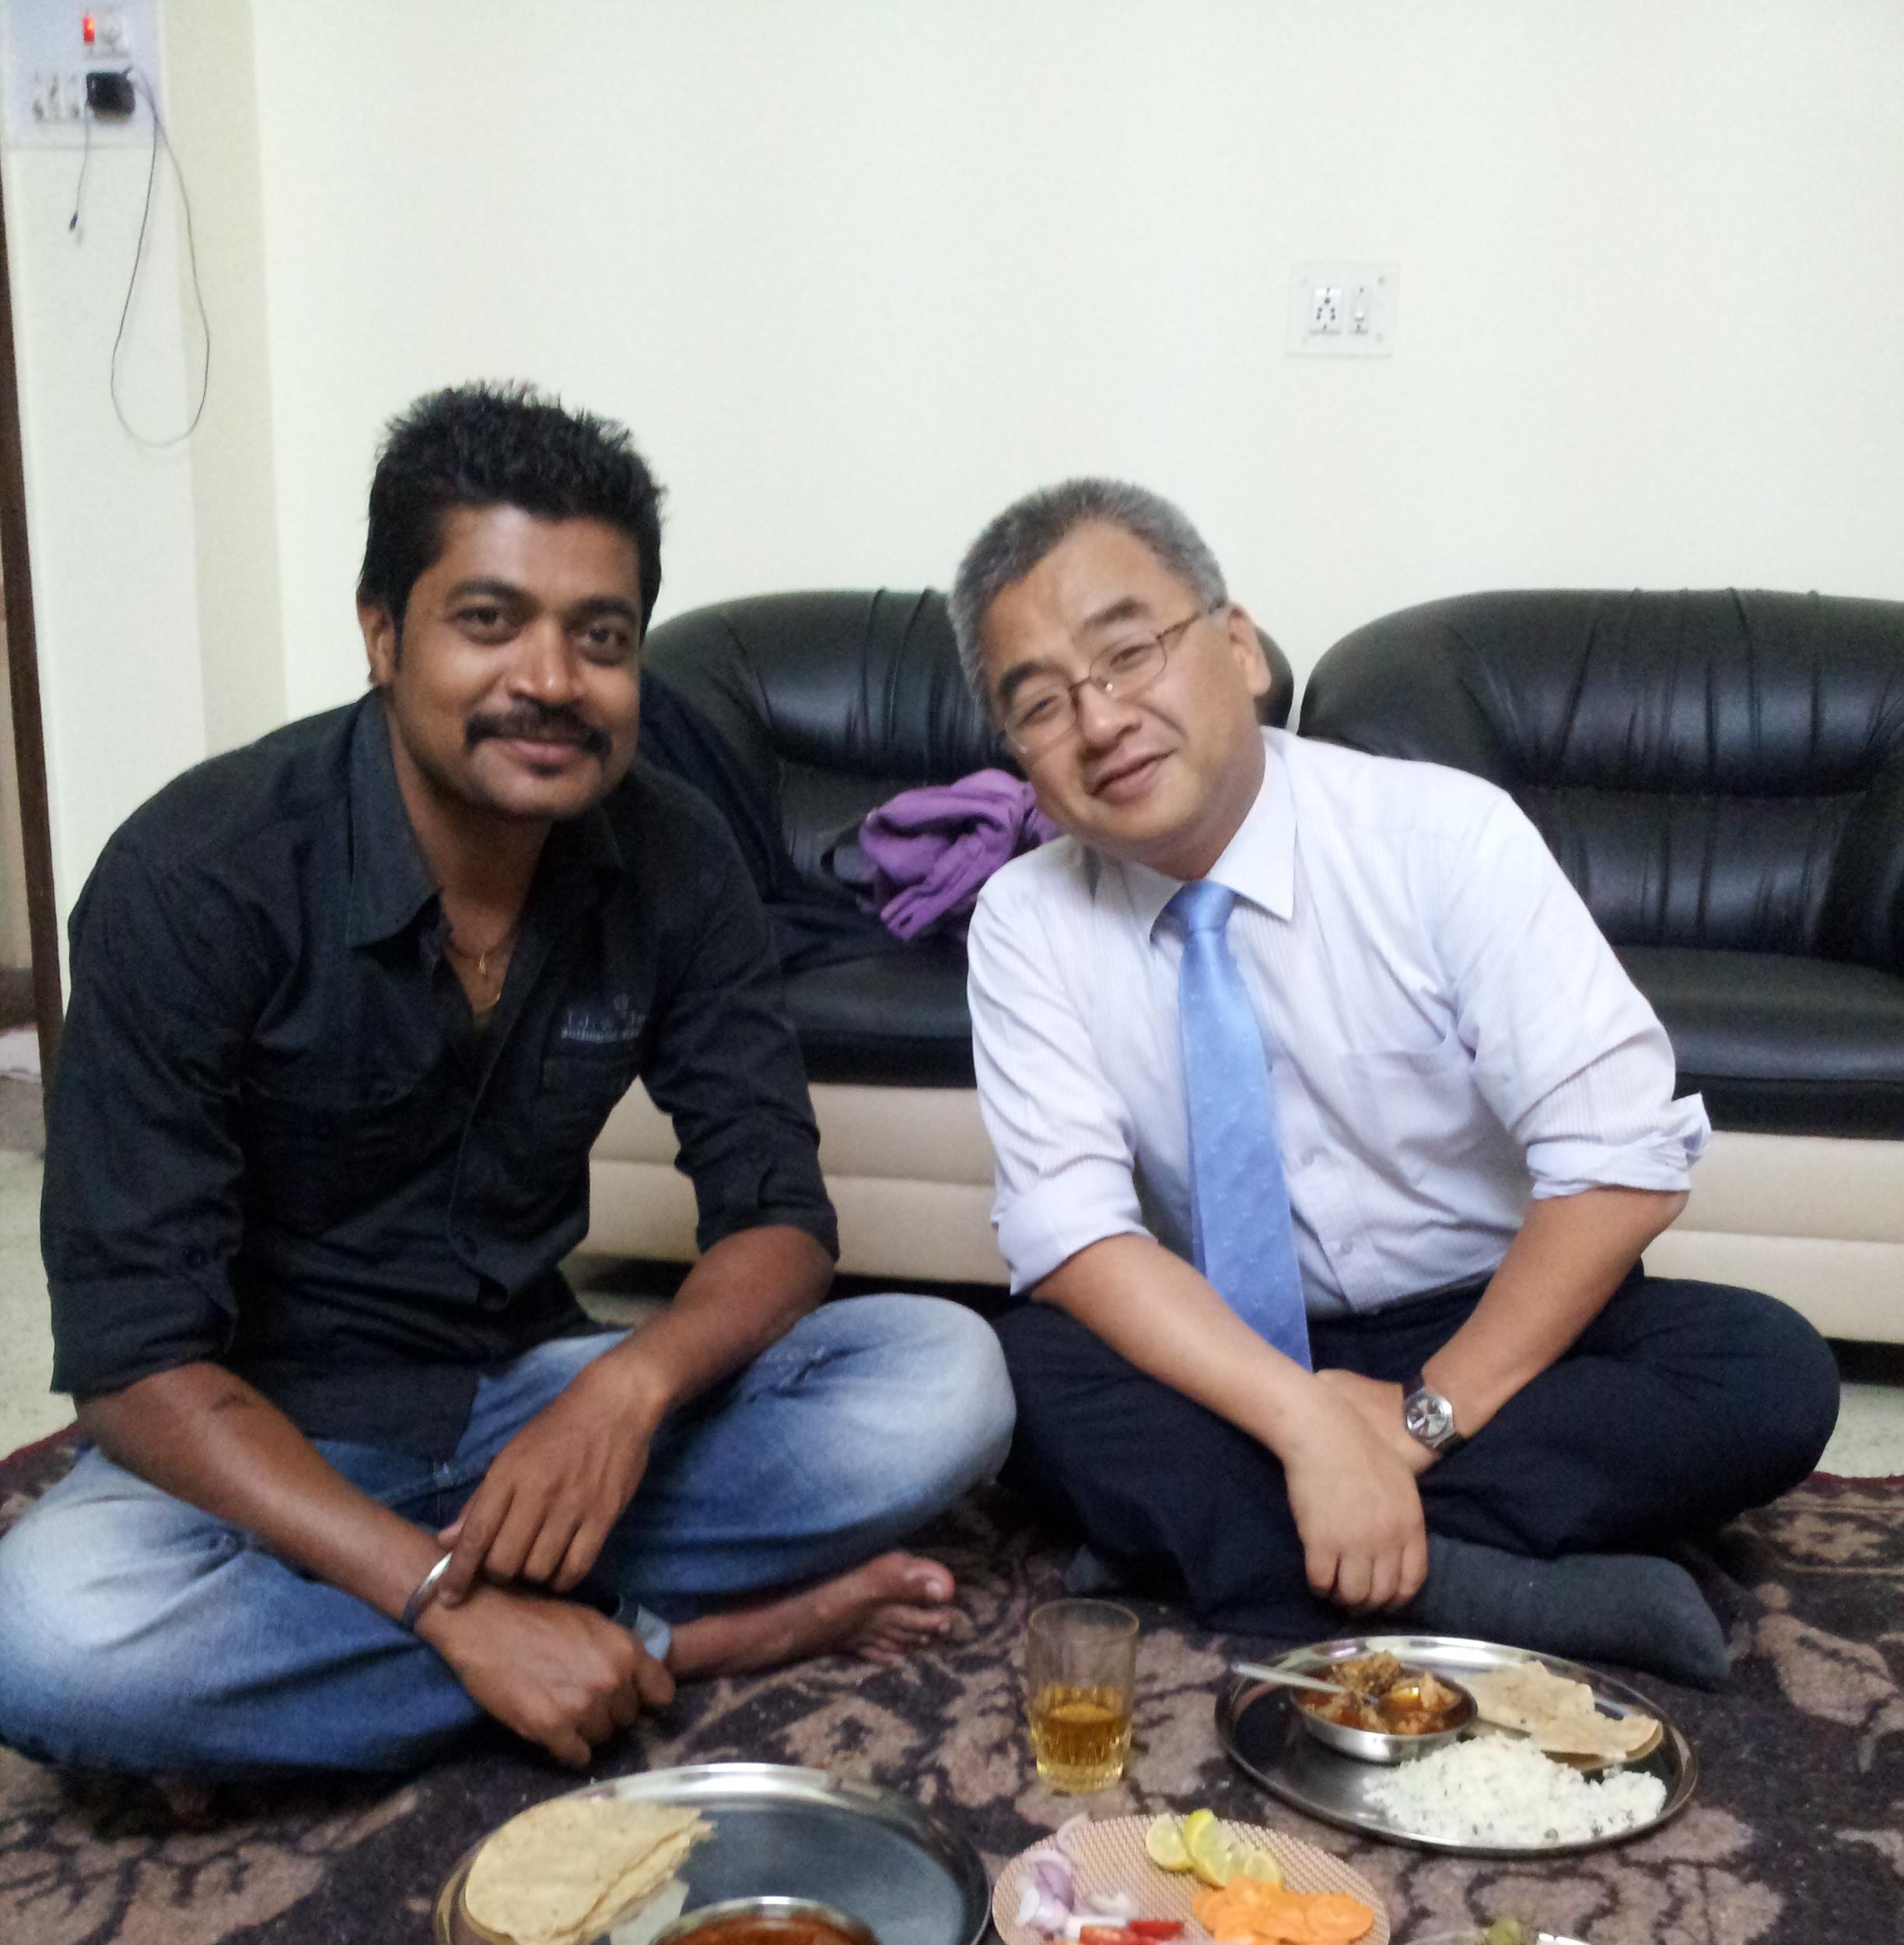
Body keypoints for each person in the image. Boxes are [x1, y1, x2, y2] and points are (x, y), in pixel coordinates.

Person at [0, 384, 1013, 1779]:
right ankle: (673, 1643)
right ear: (382, 633)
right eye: (489, 621)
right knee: (51, 1635)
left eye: (601, 637)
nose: (551, 679)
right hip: (274, 1436)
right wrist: (440, 1601)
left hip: (534, 1395)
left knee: (948, 1381)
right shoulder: (196, 878)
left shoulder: (676, 856)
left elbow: (779, 1217)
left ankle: (342, 1669)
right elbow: (134, 1363)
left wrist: (624, 1397)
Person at [949, 478, 1839, 1684]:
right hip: (1239, 1350)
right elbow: (1073, 1235)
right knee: (1021, 1373)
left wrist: (1422, 1420)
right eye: (1043, 704)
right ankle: (1506, 1592)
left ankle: (1215, 1546)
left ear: (1237, 645)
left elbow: (1619, 1162)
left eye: (1128, 653)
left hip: (1488, 1320)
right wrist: (1303, 1417)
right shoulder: (1023, 920)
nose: (1100, 721)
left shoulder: (1441, 837)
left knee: (1767, 1371)